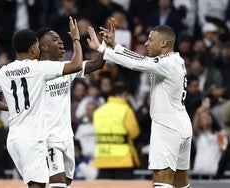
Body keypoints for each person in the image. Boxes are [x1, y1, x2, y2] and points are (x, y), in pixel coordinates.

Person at [0, 16, 83, 188]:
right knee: (38, 186)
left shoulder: (5, 71)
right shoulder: (38, 68)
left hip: (14, 139)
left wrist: (8, 108)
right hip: (33, 138)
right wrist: (76, 39)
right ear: (34, 48)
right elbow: (76, 65)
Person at [87, 19, 192, 187]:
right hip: (182, 125)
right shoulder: (174, 60)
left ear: (164, 43)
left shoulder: (166, 63)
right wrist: (115, 46)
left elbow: (137, 63)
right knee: (181, 183)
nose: (146, 42)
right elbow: (141, 59)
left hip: (167, 127)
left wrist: (102, 49)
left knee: (162, 181)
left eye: (151, 39)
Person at [36, 26, 106, 188]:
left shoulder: (66, 68)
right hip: (47, 137)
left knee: (66, 182)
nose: (61, 41)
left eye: (60, 38)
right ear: (44, 47)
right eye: (55, 39)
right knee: (58, 181)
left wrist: (105, 45)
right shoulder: (37, 71)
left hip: (66, 137)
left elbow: (97, 64)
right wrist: (76, 39)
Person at [92, 83, 141, 179]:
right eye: (125, 95)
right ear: (118, 95)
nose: (127, 98)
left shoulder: (98, 111)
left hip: (103, 158)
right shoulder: (126, 110)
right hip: (122, 160)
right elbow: (134, 133)